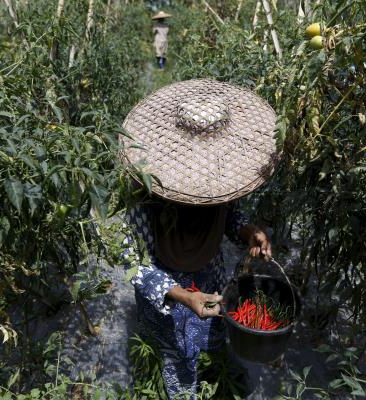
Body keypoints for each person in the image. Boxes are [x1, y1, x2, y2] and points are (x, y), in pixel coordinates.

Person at [119, 79, 279, 399]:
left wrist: (250, 232)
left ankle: (214, 375)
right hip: (168, 288)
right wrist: (182, 295)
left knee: (212, 340)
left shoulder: (219, 175)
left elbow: (230, 216)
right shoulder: (145, 191)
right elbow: (133, 261)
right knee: (176, 356)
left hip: (210, 275)